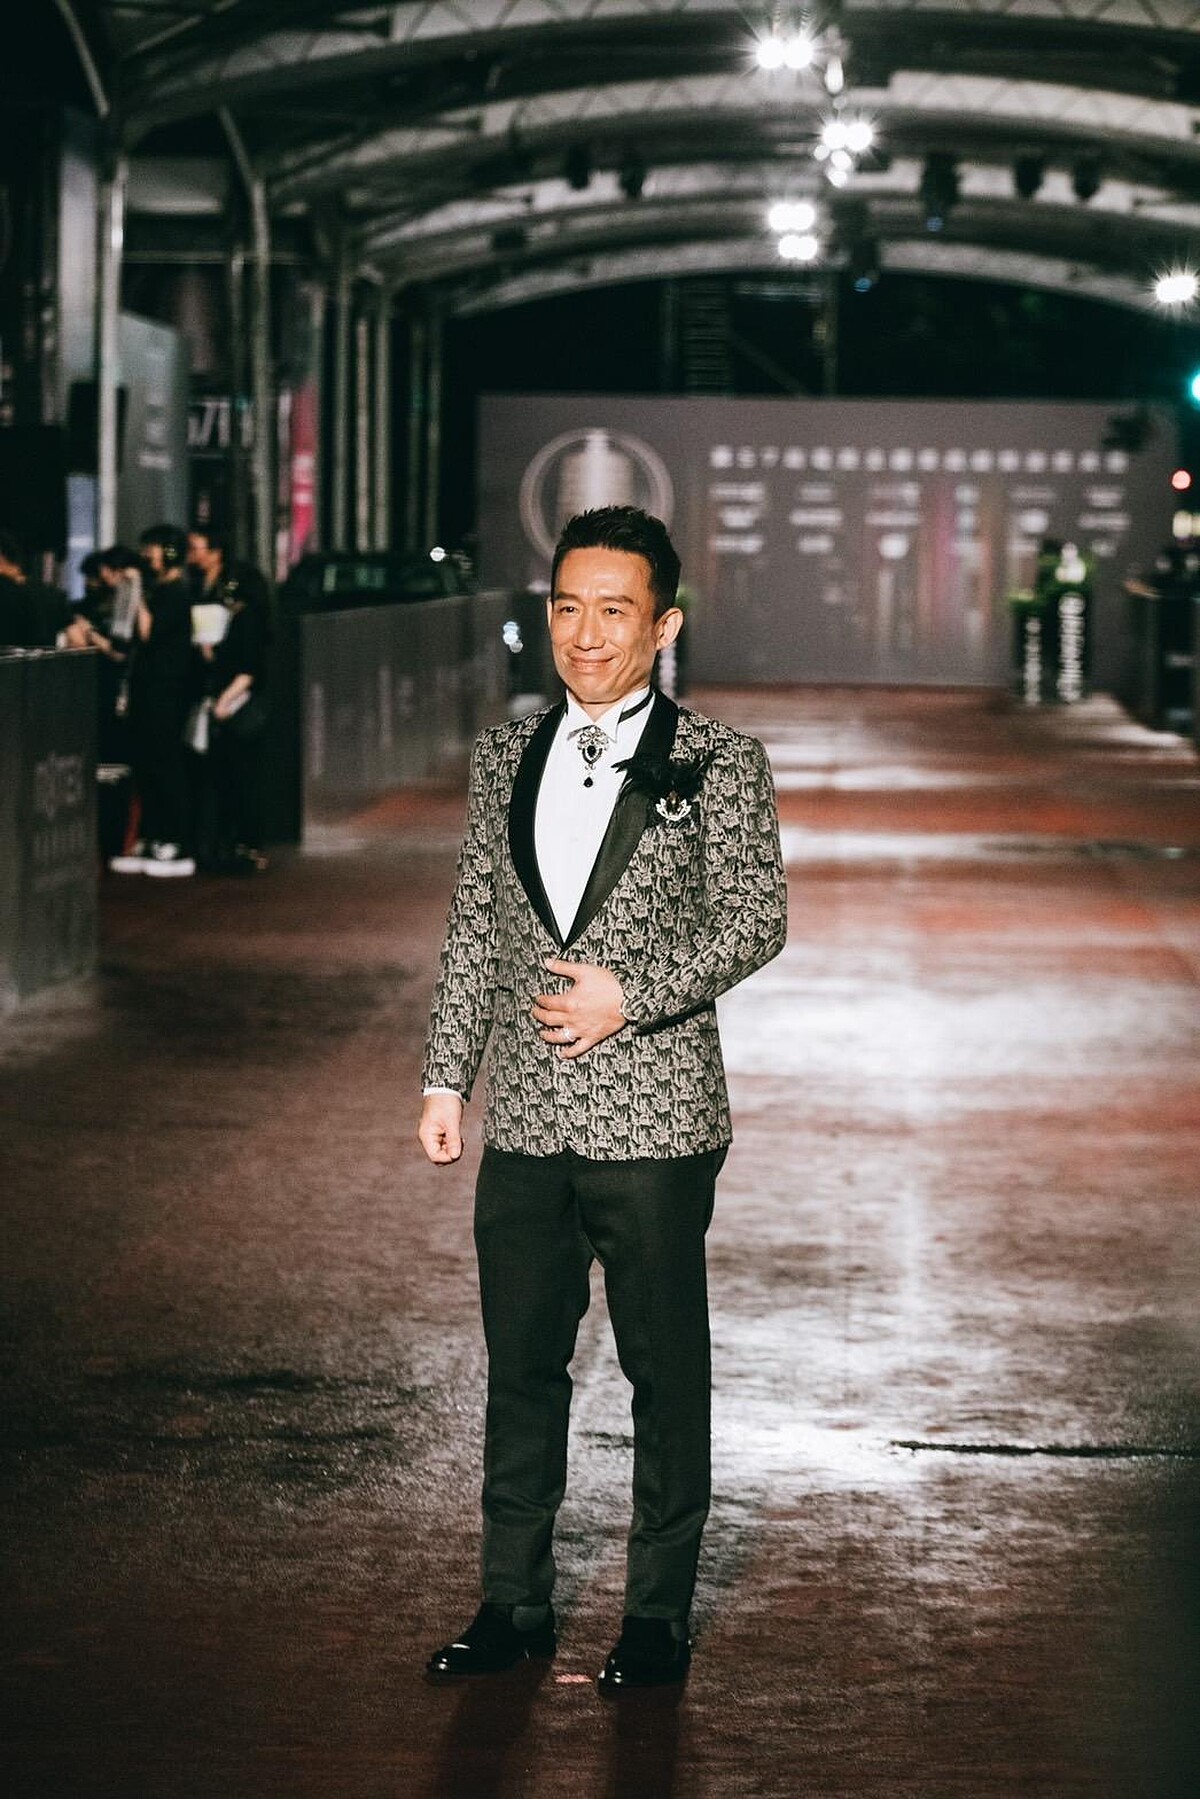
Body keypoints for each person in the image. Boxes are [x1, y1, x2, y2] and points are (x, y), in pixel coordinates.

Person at [419, 505, 787, 1693]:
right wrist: (445, 1076)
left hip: (657, 1124)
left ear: (662, 625)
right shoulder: (503, 754)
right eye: (568, 607)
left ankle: (657, 1614)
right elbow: (477, 924)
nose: (586, 633)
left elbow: (757, 919)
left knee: (664, 1376)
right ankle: (512, 1602)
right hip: (526, 1122)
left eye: (614, 610)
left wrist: (634, 993)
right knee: (520, 1369)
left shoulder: (719, 759)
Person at [110, 524, 196, 878]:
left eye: (154, 549)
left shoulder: (177, 593)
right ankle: (152, 833)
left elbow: (147, 631)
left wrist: (137, 593)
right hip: (147, 689)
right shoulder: (160, 589)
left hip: (167, 690)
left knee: (165, 762)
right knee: (145, 762)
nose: (148, 556)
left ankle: (175, 838)